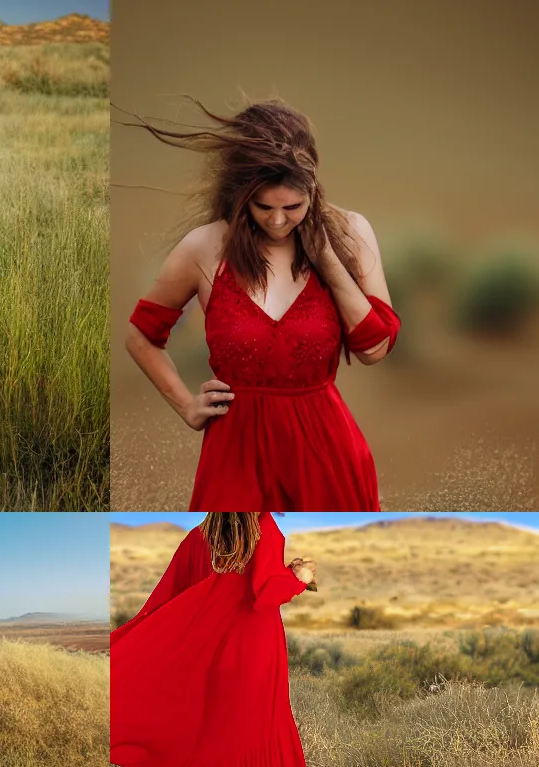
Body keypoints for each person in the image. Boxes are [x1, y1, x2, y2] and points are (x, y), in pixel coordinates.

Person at [120, 99, 399, 511]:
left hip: (328, 455)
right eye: (264, 207)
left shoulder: (351, 232)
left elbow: (374, 348)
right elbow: (141, 336)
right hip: (234, 456)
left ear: (313, 191)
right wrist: (186, 405)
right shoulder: (205, 247)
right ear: (242, 194)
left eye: (293, 207)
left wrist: (326, 259)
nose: (278, 221)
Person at [110, 512, 333, 767]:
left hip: (215, 663)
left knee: (217, 743)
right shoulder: (264, 529)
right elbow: (263, 593)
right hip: (255, 657)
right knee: (263, 738)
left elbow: (165, 604)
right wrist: (298, 578)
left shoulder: (196, 540)